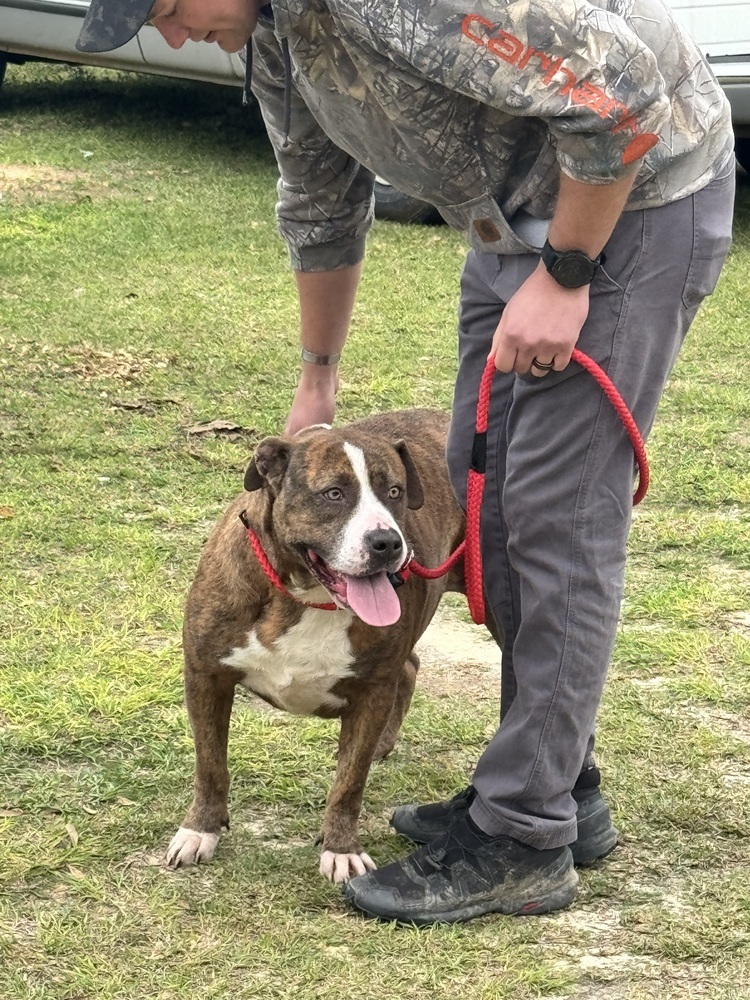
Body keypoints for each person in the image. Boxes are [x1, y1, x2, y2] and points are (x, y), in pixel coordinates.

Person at [77, 0, 735, 925]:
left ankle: (523, 838)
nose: (172, 34)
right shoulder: (275, 31)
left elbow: (619, 97)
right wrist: (318, 377)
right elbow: (319, 197)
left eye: (169, 8)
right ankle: (560, 784)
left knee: (555, 525)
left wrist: (568, 272)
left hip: (632, 205)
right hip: (509, 222)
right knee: (482, 511)